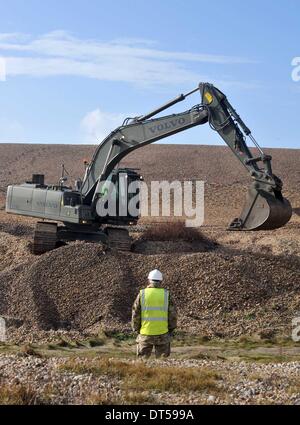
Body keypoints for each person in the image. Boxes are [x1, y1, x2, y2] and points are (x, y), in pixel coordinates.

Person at [131, 269, 177, 358]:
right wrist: (171, 329)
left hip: (145, 334)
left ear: (149, 280)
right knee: (162, 363)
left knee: (142, 363)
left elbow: (135, 313)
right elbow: (172, 314)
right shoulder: (166, 294)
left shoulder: (142, 294)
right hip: (162, 334)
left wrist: (136, 329)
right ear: (161, 281)